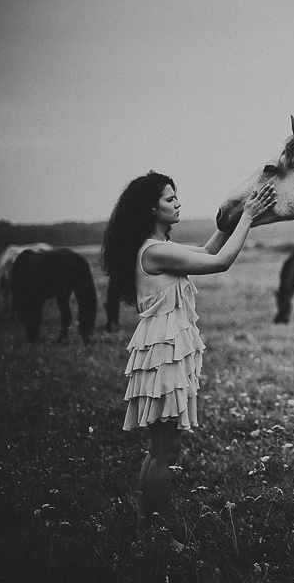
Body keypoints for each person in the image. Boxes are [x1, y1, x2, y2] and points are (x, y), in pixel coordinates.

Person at [100, 171, 275, 551]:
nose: (178, 203)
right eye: (170, 199)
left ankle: (148, 527)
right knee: (165, 451)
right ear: (151, 208)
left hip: (162, 351)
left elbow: (209, 250)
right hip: (164, 354)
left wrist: (229, 221)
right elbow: (221, 262)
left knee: (159, 449)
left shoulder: (157, 248)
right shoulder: (154, 251)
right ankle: (162, 536)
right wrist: (248, 217)